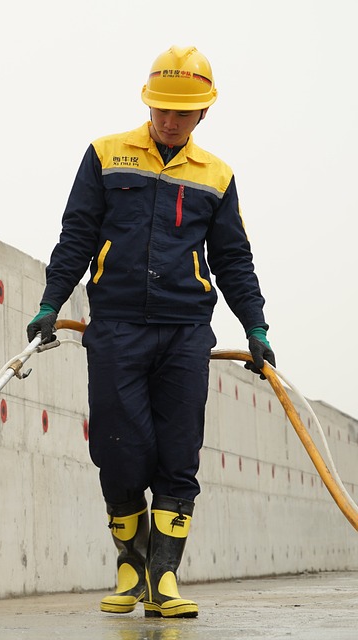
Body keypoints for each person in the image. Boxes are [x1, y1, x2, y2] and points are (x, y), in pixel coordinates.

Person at [27, 46, 275, 619]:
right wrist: (50, 302)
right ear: (148, 102)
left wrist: (256, 325)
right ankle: (128, 565)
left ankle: (164, 576)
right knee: (118, 450)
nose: (168, 120)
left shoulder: (217, 176)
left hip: (186, 331)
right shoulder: (105, 155)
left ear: (203, 114)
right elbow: (77, 236)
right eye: (160, 108)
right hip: (114, 327)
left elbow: (234, 260)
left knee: (178, 453)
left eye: (180, 113)